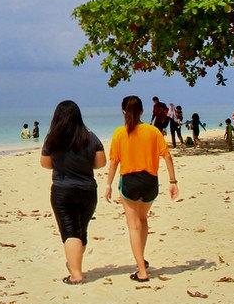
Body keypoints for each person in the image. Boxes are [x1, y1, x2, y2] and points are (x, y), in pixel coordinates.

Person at [104, 96, 179, 282]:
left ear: (123, 111)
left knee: (133, 225)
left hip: (130, 181)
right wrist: (173, 181)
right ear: (143, 111)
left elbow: (114, 161)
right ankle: (141, 259)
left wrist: (108, 184)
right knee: (143, 220)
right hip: (150, 181)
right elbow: (167, 157)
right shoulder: (153, 131)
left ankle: (141, 271)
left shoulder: (120, 133)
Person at [40, 100, 106, 284]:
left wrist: (62, 165)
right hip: (87, 190)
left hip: (62, 189)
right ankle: (75, 266)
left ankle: (76, 274)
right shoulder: (90, 137)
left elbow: (45, 164)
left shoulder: (52, 138)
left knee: (69, 231)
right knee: (81, 230)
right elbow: (101, 163)